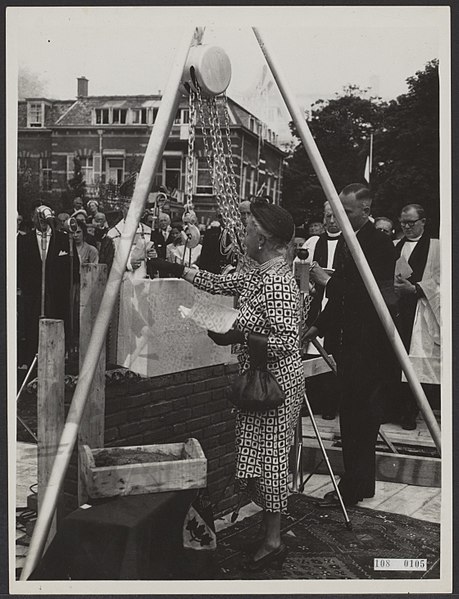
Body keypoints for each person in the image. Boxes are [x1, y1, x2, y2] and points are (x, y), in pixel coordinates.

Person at [149, 199, 303, 572]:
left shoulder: (279, 281)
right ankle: (272, 526)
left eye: (249, 229)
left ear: (263, 239)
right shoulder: (258, 271)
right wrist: (179, 270)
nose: (243, 234)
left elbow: (286, 339)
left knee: (270, 461)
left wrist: (238, 334)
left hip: (274, 384)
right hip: (259, 378)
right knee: (257, 457)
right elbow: (221, 282)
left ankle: (272, 540)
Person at [307, 184, 397, 508]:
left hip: (370, 348)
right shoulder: (350, 239)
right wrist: (316, 326)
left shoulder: (381, 245)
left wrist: (327, 281)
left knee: (360, 418)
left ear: (366, 211)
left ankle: (351, 487)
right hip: (349, 344)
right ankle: (362, 484)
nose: (341, 217)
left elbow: (370, 299)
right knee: (354, 416)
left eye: (347, 211)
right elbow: (342, 302)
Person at [393, 203, 440, 430]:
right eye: (403, 223)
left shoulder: (437, 247)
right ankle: (393, 409)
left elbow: (442, 281)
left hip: (421, 312)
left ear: (423, 221)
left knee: (414, 364)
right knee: (394, 360)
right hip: (397, 311)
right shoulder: (395, 245)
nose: (407, 227)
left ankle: (410, 413)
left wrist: (415, 289)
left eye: (411, 223)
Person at [17, 204, 77, 365]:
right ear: (32, 218)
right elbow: (19, 270)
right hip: (33, 297)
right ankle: (33, 367)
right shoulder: (23, 241)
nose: (42, 221)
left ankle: (57, 363)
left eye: (45, 217)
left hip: (58, 298)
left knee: (56, 334)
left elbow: (74, 269)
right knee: (32, 332)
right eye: (38, 217)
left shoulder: (64, 239)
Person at [303, 200, 342, 420]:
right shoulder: (313, 242)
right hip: (316, 303)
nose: (330, 221)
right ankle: (314, 403)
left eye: (335, 216)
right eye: (327, 216)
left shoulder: (349, 243)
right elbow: (301, 273)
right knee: (312, 353)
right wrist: (306, 284)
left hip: (337, 303)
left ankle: (331, 405)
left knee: (333, 354)